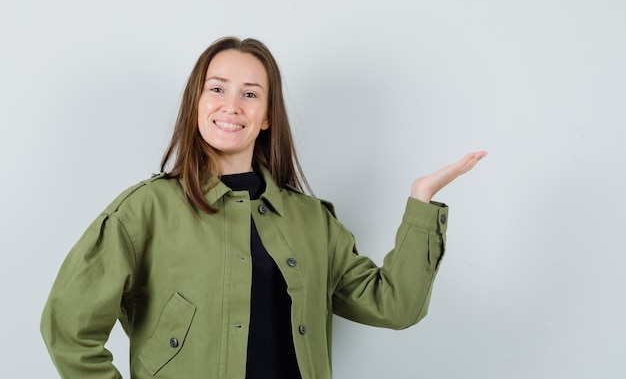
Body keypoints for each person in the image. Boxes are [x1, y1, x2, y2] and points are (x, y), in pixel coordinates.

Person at [40, 36, 486, 379]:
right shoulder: (145, 211)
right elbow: (69, 328)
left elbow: (395, 305)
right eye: (217, 89)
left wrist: (421, 202)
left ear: (268, 115)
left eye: (250, 94)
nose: (231, 106)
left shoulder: (312, 221)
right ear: (197, 103)